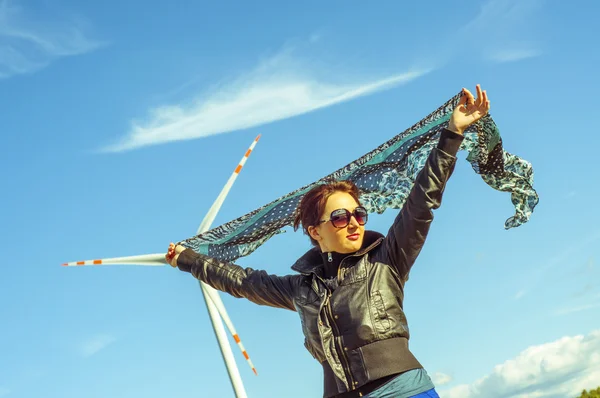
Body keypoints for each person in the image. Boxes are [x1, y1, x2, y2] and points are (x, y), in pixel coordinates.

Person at [166, 85, 491, 398]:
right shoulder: (301, 289)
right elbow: (243, 281)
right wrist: (189, 260)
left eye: (358, 215)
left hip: (402, 390)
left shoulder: (385, 260)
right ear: (314, 230)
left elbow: (422, 202)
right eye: (339, 217)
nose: (352, 222)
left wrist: (452, 135)